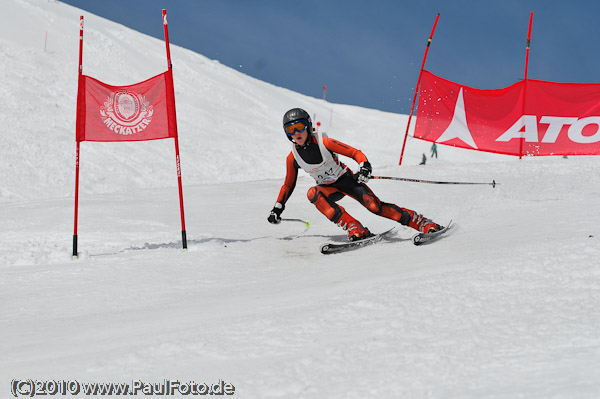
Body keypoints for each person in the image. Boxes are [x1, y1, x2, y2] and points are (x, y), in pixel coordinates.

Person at [267, 108, 443, 241]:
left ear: (308, 126)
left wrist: (364, 167)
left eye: (299, 127)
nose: (296, 133)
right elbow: (288, 185)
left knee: (374, 207)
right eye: (290, 130)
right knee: (312, 193)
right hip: (328, 189)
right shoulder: (293, 158)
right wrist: (277, 208)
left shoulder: (324, 142)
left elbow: (354, 152)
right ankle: (356, 228)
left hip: (347, 181)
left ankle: (423, 223)